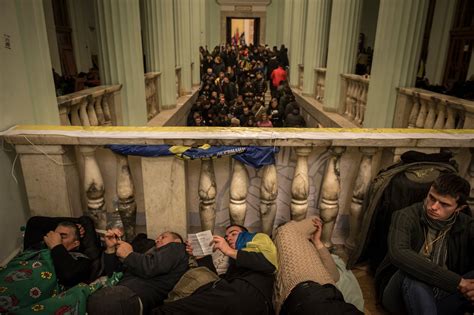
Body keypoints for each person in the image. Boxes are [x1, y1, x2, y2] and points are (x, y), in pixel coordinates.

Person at [381, 173, 474, 315]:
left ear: (459, 208)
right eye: (432, 198)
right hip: (400, 295)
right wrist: (458, 282)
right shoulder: (406, 216)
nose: (433, 207)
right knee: (413, 273)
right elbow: (399, 254)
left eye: (444, 204)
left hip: (444, 294)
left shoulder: (466, 224)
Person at [153, 224, 278, 314]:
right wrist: (202, 257)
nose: (228, 238)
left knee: (164, 311)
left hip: (250, 294)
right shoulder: (234, 262)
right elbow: (217, 280)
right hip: (233, 296)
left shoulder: (258, 237)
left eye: (233, 233)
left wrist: (229, 251)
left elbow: (269, 264)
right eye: (227, 236)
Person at [87, 229, 188, 315]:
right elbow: (113, 274)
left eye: (163, 237)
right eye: (158, 237)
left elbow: (150, 268)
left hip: (132, 296)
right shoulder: (146, 255)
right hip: (118, 291)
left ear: (177, 240)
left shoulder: (177, 248)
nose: (157, 239)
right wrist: (110, 248)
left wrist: (129, 255)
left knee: (98, 302)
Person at [274, 217, 363, 314]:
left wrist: (317, 242)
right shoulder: (285, 231)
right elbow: (315, 220)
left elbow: (334, 276)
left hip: (328, 297)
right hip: (305, 296)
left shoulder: (298, 241)